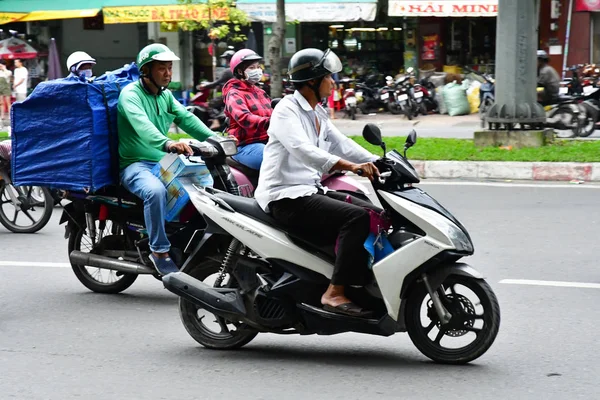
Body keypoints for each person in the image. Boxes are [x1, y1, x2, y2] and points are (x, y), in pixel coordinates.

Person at [255, 48, 380, 318]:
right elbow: (303, 150)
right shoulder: (286, 110)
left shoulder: (317, 111)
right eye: (328, 77)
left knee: (375, 213)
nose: (333, 83)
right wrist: (351, 167)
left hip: (308, 190)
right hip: (285, 197)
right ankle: (334, 292)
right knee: (355, 219)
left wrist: (380, 161)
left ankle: (358, 278)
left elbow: (341, 143)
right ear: (312, 81)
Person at [118, 43, 219, 276]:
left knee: (207, 189)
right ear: (146, 70)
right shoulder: (130, 95)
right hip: (135, 164)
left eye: (169, 68)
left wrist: (216, 139)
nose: (168, 73)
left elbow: (185, 118)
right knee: (155, 192)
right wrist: (168, 143)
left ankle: (184, 241)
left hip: (163, 162)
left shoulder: (165, 96)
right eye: (162, 68)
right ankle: (159, 251)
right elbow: (143, 126)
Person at [223, 49, 272, 170]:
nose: (257, 70)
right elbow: (244, 118)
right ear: (240, 71)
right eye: (251, 67)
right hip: (244, 145)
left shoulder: (261, 92)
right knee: (275, 159)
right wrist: (270, 121)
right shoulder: (234, 93)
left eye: (258, 66)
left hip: (267, 142)